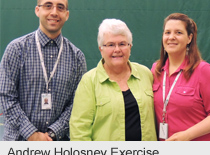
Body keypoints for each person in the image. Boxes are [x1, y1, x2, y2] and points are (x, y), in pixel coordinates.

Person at [0, 0, 87, 141]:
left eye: (60, 7)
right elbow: (6, 96)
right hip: (17, 143)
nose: (54, 12)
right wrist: (32, 134)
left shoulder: (77, 57)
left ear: (66, 15)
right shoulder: (16, 49)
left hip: (58, 143)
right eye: (48, 5)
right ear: (37, 10)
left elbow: (77, 103)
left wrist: (52, 134)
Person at [70, 18, 157, 141]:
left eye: (122, 44)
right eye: (110, 45)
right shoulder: (89, 81)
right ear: (101, 49)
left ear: (130, 47)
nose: (117, 50)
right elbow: (79, 130)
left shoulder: (145, 74)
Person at [151, 13, 210, 141]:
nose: (171, 37)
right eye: (167, 32)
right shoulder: (155, 70)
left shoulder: (203, 70)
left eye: (178, 33)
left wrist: (187, 135)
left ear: (189, 38)